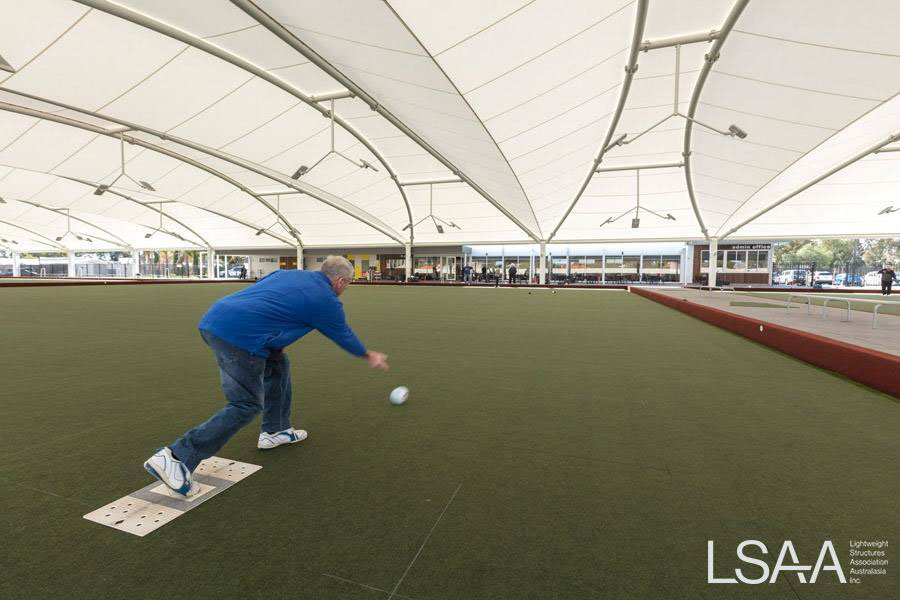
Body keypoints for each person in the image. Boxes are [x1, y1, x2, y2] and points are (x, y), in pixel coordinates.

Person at [143, 256, 389, 496]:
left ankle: (275, 430)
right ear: (341, 282)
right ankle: (176, 457)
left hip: (215, 319)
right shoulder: (327, 299)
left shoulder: (287, 274)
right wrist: (368, 355)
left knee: (277, 364)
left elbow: (266, 299)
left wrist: (274, 338)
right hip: (238, 338)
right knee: (246, 404)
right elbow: (342, 333)